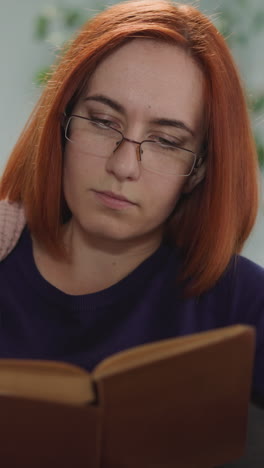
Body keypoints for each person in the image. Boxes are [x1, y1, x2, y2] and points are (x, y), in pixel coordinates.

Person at [0, 0, 263, 408]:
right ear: (61, 123)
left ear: (199, 170)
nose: (123, 166)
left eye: (166, 142)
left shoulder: (246, 303)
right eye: (103, 122)